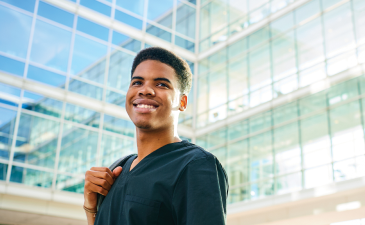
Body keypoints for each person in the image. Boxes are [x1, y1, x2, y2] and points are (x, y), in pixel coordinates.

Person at [83, 47, 228, 225]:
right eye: (137, 82)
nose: (145, 90)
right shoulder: (116, 171)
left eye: (161, 84)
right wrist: (91, 209)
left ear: (182, 102)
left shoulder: (194, 165)